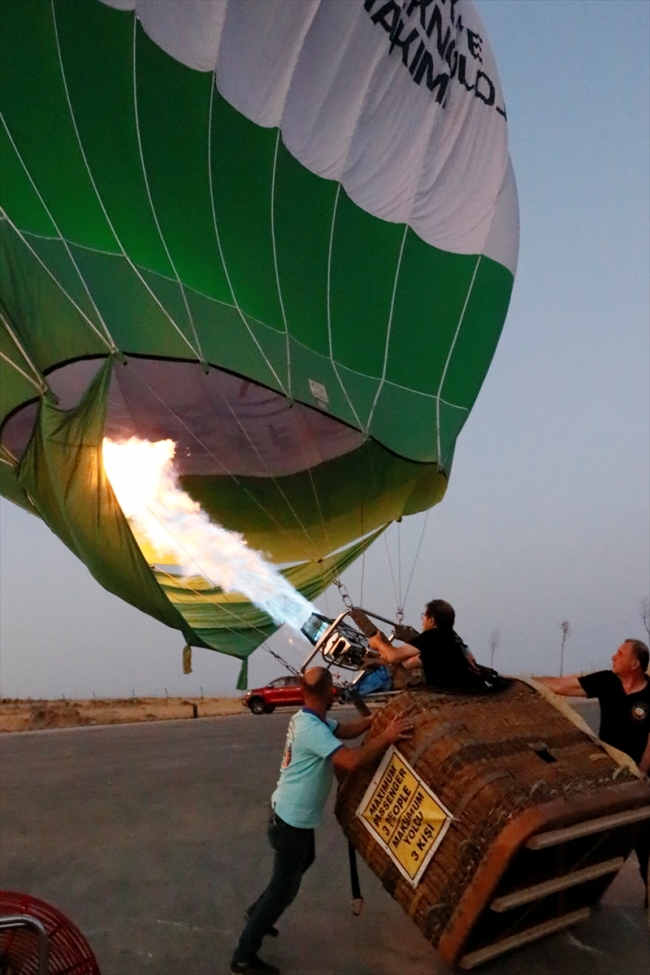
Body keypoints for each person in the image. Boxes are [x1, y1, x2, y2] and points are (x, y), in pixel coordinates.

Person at [230, 666, 413, 975]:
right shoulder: (312, 729)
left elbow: (344, 731)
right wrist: (387, 738)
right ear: (330, 693)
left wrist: (371, 722)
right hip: (291, 822)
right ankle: (243, 956)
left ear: (304, 691)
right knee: (284, 889)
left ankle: (255, 913)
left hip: (290, 817)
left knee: (302, 861)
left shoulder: (309, 719)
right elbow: (351, 761)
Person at [534, 638, 650, 904]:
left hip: (641, 776)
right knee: (599, 836)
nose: (613, 657)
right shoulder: (607, 681)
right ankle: (585, 893)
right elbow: (564, 686)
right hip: (608, 773)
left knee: (644, 838)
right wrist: (528, 683)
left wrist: (641, 773)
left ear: (635, 663)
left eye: (619, 654)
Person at [368, 599, 487, 691]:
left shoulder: (432, 636)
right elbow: (413, 662)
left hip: (456, 693)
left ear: (432, 620)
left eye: (424, 617)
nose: (422, 621)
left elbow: (393, 656)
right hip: (475, 689)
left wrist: (378, 643)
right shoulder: (453, 638)